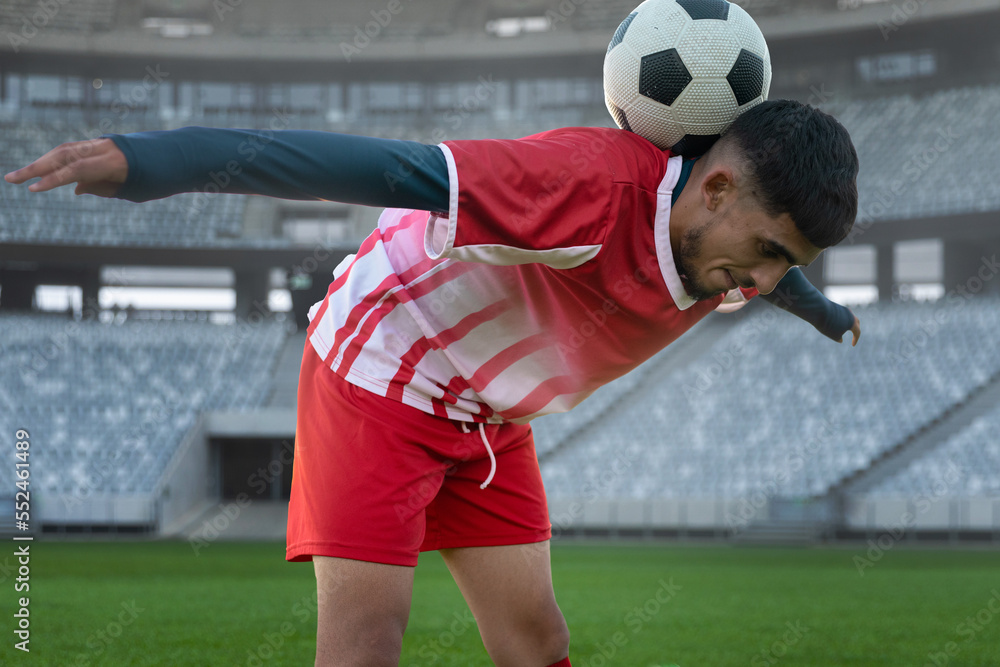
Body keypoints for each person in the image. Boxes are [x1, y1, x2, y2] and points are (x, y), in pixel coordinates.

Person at [6, 98, 861, 667]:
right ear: (712, 187)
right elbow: (377, 167)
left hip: (487, 415)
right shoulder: (583, 188)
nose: (760, 280)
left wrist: (819, 307)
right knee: (368, 642)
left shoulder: (721, 247)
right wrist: (162, 159)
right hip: (381, 371)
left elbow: (774, 273)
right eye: (767, 254)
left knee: (534, 639)